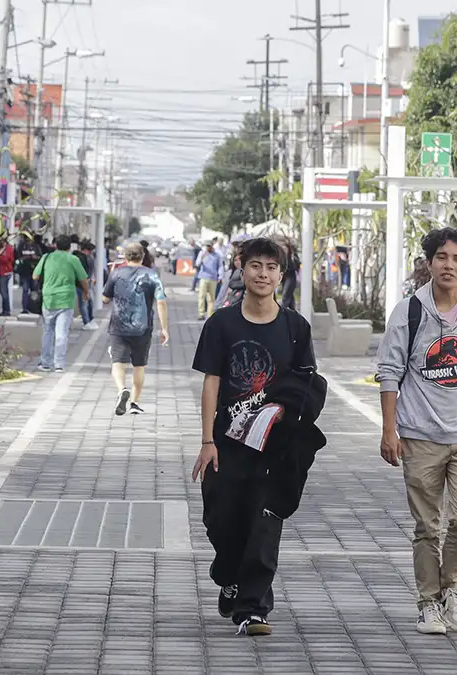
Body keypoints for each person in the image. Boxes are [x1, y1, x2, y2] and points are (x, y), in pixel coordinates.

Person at [375, 227, 457, 636]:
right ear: (429, 262)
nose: (449, 265)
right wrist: (389, 430)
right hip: (419, 434)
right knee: (427, 526)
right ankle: (428, 603)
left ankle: (450, 588)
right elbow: (390, 372)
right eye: (442, 257)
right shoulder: (408, 312)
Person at [191, 237, 321, 637]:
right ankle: (228, 575)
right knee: (221, 520)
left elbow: (307, 381)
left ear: (282, 275)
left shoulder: (296, 327)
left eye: (271, 267)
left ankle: (253, 608)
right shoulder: (222, 323)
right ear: (241, 270)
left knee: (264, 522)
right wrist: (207, 440)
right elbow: (212, 382)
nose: (263, 274)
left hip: (274, 446)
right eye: (255, 266)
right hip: (227, 444)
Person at [102, 243, 169, 415]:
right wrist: (164, 328)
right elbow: (161, 301)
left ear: (125, 256)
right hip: (143, 327)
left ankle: (121, 389)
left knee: (118, 363)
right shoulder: (152, 275)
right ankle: (134, 403)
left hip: (118, 325)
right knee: (139, 366)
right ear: (142, 256)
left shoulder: (116, 273)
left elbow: (105, 298)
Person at [33, 235, 89, 373]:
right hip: (66, 299)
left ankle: (45, 363)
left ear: (55, 245)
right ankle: (59, 364)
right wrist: (86, 292)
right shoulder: (73, 259)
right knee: (62, 333)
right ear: (70, 247)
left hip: (48, 299)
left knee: (47, 331)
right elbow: (83, 279)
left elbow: (35, 276)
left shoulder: (46, 257)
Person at [71, 238, 95, 331]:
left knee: (87, 302)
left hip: (83, 282)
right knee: (84, 302)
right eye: (90, 251)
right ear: (86, 250)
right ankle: (86, 322)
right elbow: (82, 272)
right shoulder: (81, 258)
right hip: (82, 282)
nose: (91, 252)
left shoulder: (82, 257)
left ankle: (89, 320)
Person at [195, 242, 224, 320]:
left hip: (213, 278)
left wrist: (220, 276)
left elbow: (220, 266)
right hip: (203, 277)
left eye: (209, 246)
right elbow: (197, 264)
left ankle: (210, 314)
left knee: (211, 298)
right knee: (201, 296)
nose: (208, 248)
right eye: (207, 246)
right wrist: (202, 257)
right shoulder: (202, 253)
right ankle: (201, 313)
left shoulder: (217, 256)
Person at [16, 234, 42, 315]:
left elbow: (40, 257)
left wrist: (35, 257)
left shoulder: (36, 247)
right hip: (25, 272)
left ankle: (35, 307)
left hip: (34, 271)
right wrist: (24, 258)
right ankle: (25, 308)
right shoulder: (21, 246)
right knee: (25, 290)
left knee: (34, 290)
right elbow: (17, 257)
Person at [0, 238, 15, 316]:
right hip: (5, 271)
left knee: (4, 293)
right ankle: (5, 310)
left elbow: (7, 259)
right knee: (3, 292)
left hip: (4, 271)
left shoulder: (6, 249)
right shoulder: (9, 248)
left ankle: (6, 310)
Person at [280, 242, 299, 312]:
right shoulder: (281, 257)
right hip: (284, 278)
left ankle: (280, 313)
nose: (284, 250)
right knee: (290, 298)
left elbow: (296, 267)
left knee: (285, 295)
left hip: (291, 277)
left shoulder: (292, 257)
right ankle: (294, 314)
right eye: (283, 248)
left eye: (285, 248)